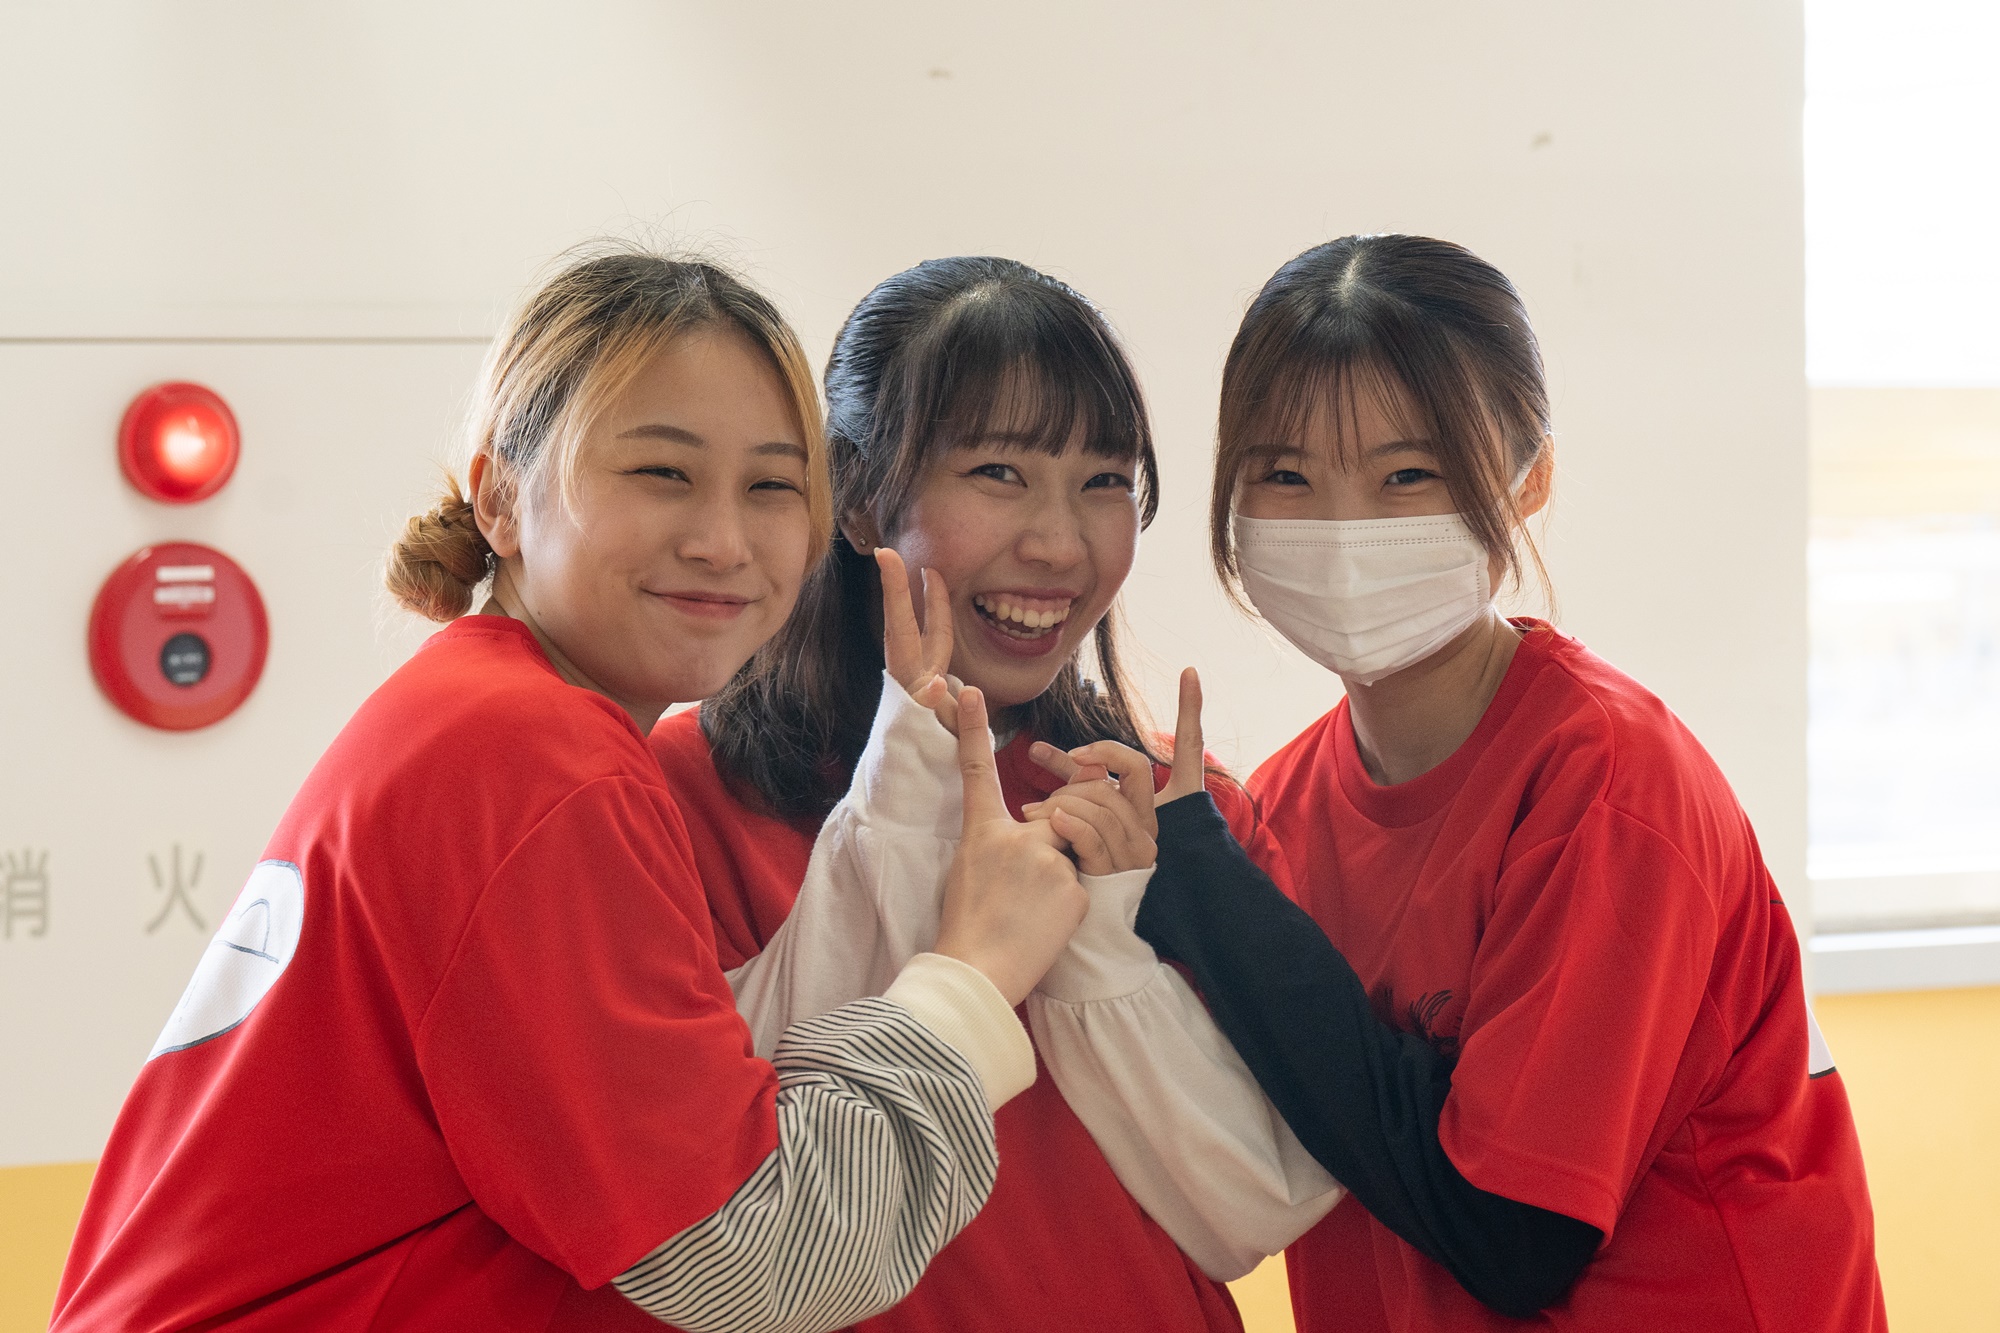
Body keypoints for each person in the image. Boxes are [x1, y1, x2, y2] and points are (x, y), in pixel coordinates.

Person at [51, 247, 1088, 1333]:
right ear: (501, 499)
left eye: (772, 487)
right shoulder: (536, 758)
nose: (722, 541)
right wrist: (976, 973)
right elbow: (748, 1256)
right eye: (662, 473)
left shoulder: (483, 717)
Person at [1111, 234, 1886, 1330]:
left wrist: (1212, 894)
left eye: (1406, 476)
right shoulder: (1273, 812)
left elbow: (1515, 1235)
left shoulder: (1607, 784)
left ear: (1529, 479)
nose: (1343, 531)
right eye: (1284, 475)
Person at [654, 255, 1341, 1333]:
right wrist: (906, 785)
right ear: (857, 495)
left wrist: (1112, 921)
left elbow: (1251, 1210)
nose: (1060, 544)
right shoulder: (683, 792)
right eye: (998, 472)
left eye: (1104, 480)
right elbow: (725, 1199)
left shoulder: (1183, 811)